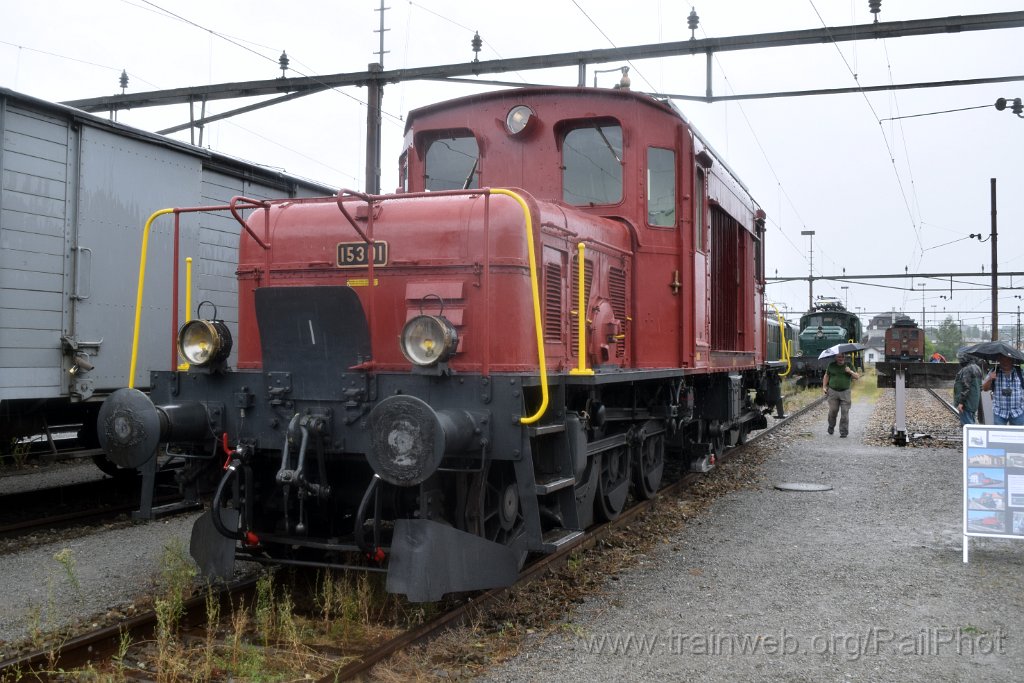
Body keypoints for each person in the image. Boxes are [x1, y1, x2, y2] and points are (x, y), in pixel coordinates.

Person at [822, 352, 861, 437]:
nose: (841, 358)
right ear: (835, 358)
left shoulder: (849, 365)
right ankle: (831, 426)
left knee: (844, 413)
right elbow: (826, 376)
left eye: (842, 356)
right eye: (839, 357)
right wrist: (824, 386)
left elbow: (857, 377)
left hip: (845, 392)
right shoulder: (831, 365)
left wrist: (850, 371)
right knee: (833, 411)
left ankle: (843, 432)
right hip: (833, 392)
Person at [982, 353, 1024, 426]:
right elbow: (985, 389)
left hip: (1018, 412)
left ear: (1012, 360)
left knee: (1018, 436)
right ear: (999, 360)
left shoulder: (1020, 372)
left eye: (1007, 360)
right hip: (999, 413)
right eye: (1002, 360)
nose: (1005, 362)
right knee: (999, 436)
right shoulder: (994, 371)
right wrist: (990, 379)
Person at [953, 354, 983, 426]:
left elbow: (966, 387)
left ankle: (973, 437)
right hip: (974, 401)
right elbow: (980, 386)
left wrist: (961, 402)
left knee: (968, 425)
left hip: (967, 403)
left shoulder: (967, 369)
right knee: (971, 421)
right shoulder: (978, 368)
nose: (960, 361)